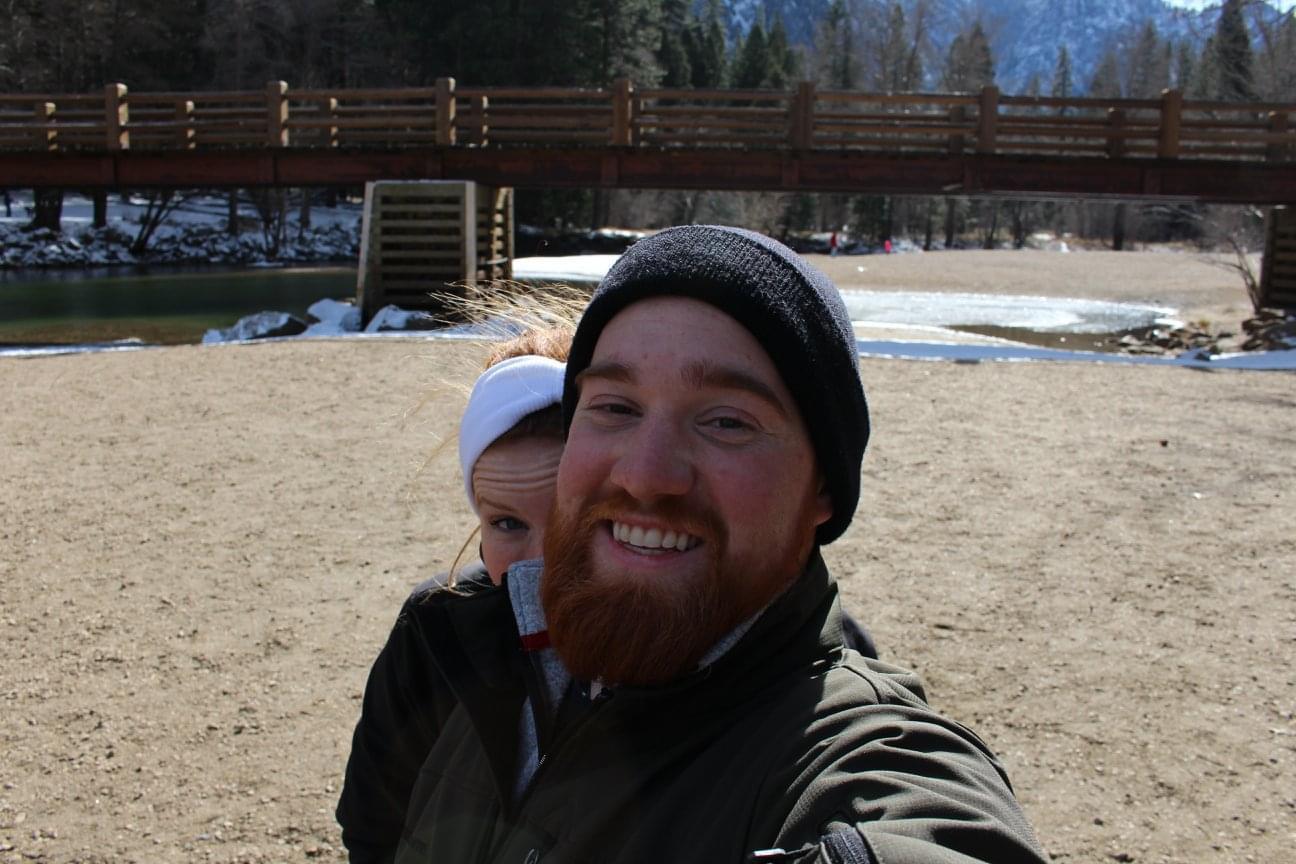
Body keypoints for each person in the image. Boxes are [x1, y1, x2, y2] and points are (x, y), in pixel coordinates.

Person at [339, 315, 885, 862]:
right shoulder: (440, 630)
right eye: (506, 524)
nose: (543, 563)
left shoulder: (813, 678)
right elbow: (375, 829)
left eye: (566, 517)